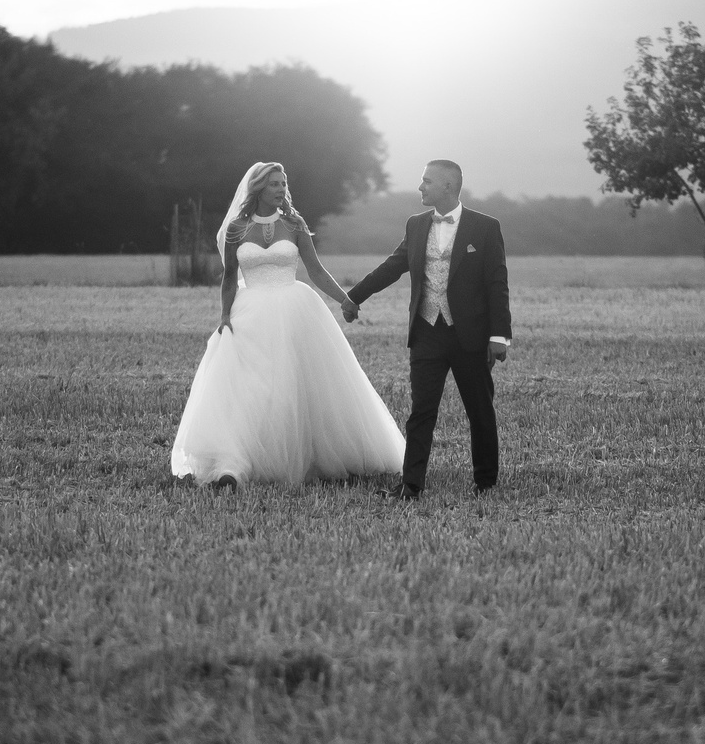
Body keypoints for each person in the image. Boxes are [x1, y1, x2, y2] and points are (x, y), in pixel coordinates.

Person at [169, 162, 406, 490]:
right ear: (258, 190)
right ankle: (231, 466)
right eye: (274, 184)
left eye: (283, 183)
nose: (281, 189)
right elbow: (227, 279)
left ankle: (310, 455)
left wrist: (345, 300)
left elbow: (317, 270)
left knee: (295, 386)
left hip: (295, 309)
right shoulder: (238, 228)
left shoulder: (294, 223)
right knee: (249, 390)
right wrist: (224, 316)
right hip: (249, 312)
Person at [343, 160, 511, 499]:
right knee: (421, 411)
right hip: (427, 332)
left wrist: (498, 335)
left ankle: (486, 482)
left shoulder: (485, 227)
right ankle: (411, 483)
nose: (420, 187)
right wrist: (353, 296)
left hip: (470, 336)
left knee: (479, 409)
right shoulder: (416, 225)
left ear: (448, 186)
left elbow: (497, 283)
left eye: (426, 181)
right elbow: (392, 266)